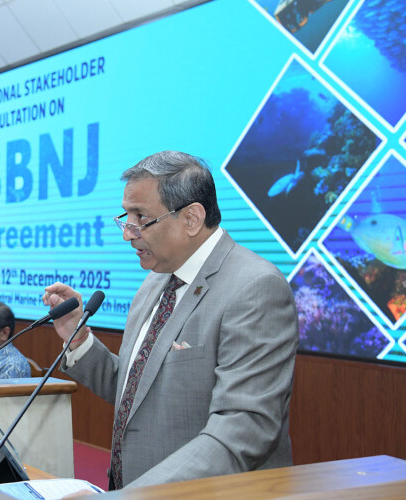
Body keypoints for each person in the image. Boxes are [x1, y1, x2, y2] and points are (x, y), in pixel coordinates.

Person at [42, 151, 298, 489]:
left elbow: (242, 429)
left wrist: (133, 497)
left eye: (141, 217)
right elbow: (137, 391)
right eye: (126, 216)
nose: (127, 233)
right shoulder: (155, 281)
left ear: (191, 218)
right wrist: (79, 340)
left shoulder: (255, 287)